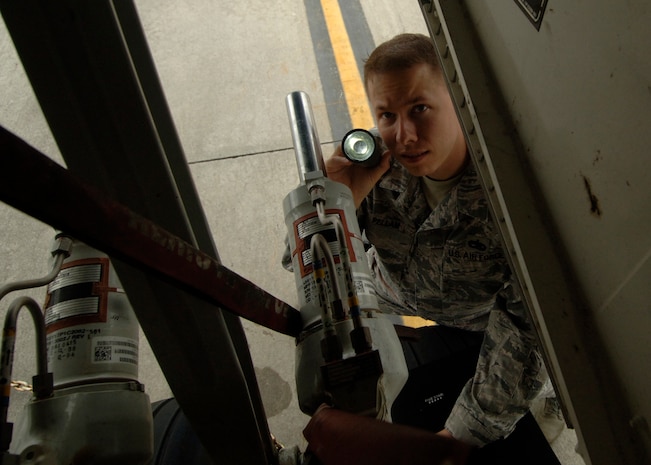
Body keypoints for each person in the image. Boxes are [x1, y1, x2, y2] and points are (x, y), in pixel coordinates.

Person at [303, 33, 559, 464]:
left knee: (544, 364)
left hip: (480, 315)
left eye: (419, 109)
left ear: (460, 100)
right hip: (392, 288)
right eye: (387, 114)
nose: (403, 135)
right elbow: (307, 265)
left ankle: (552, 397)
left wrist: (458, 436)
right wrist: (332, 202)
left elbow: (523, 330)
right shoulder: (375, 166)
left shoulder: (510, 198)